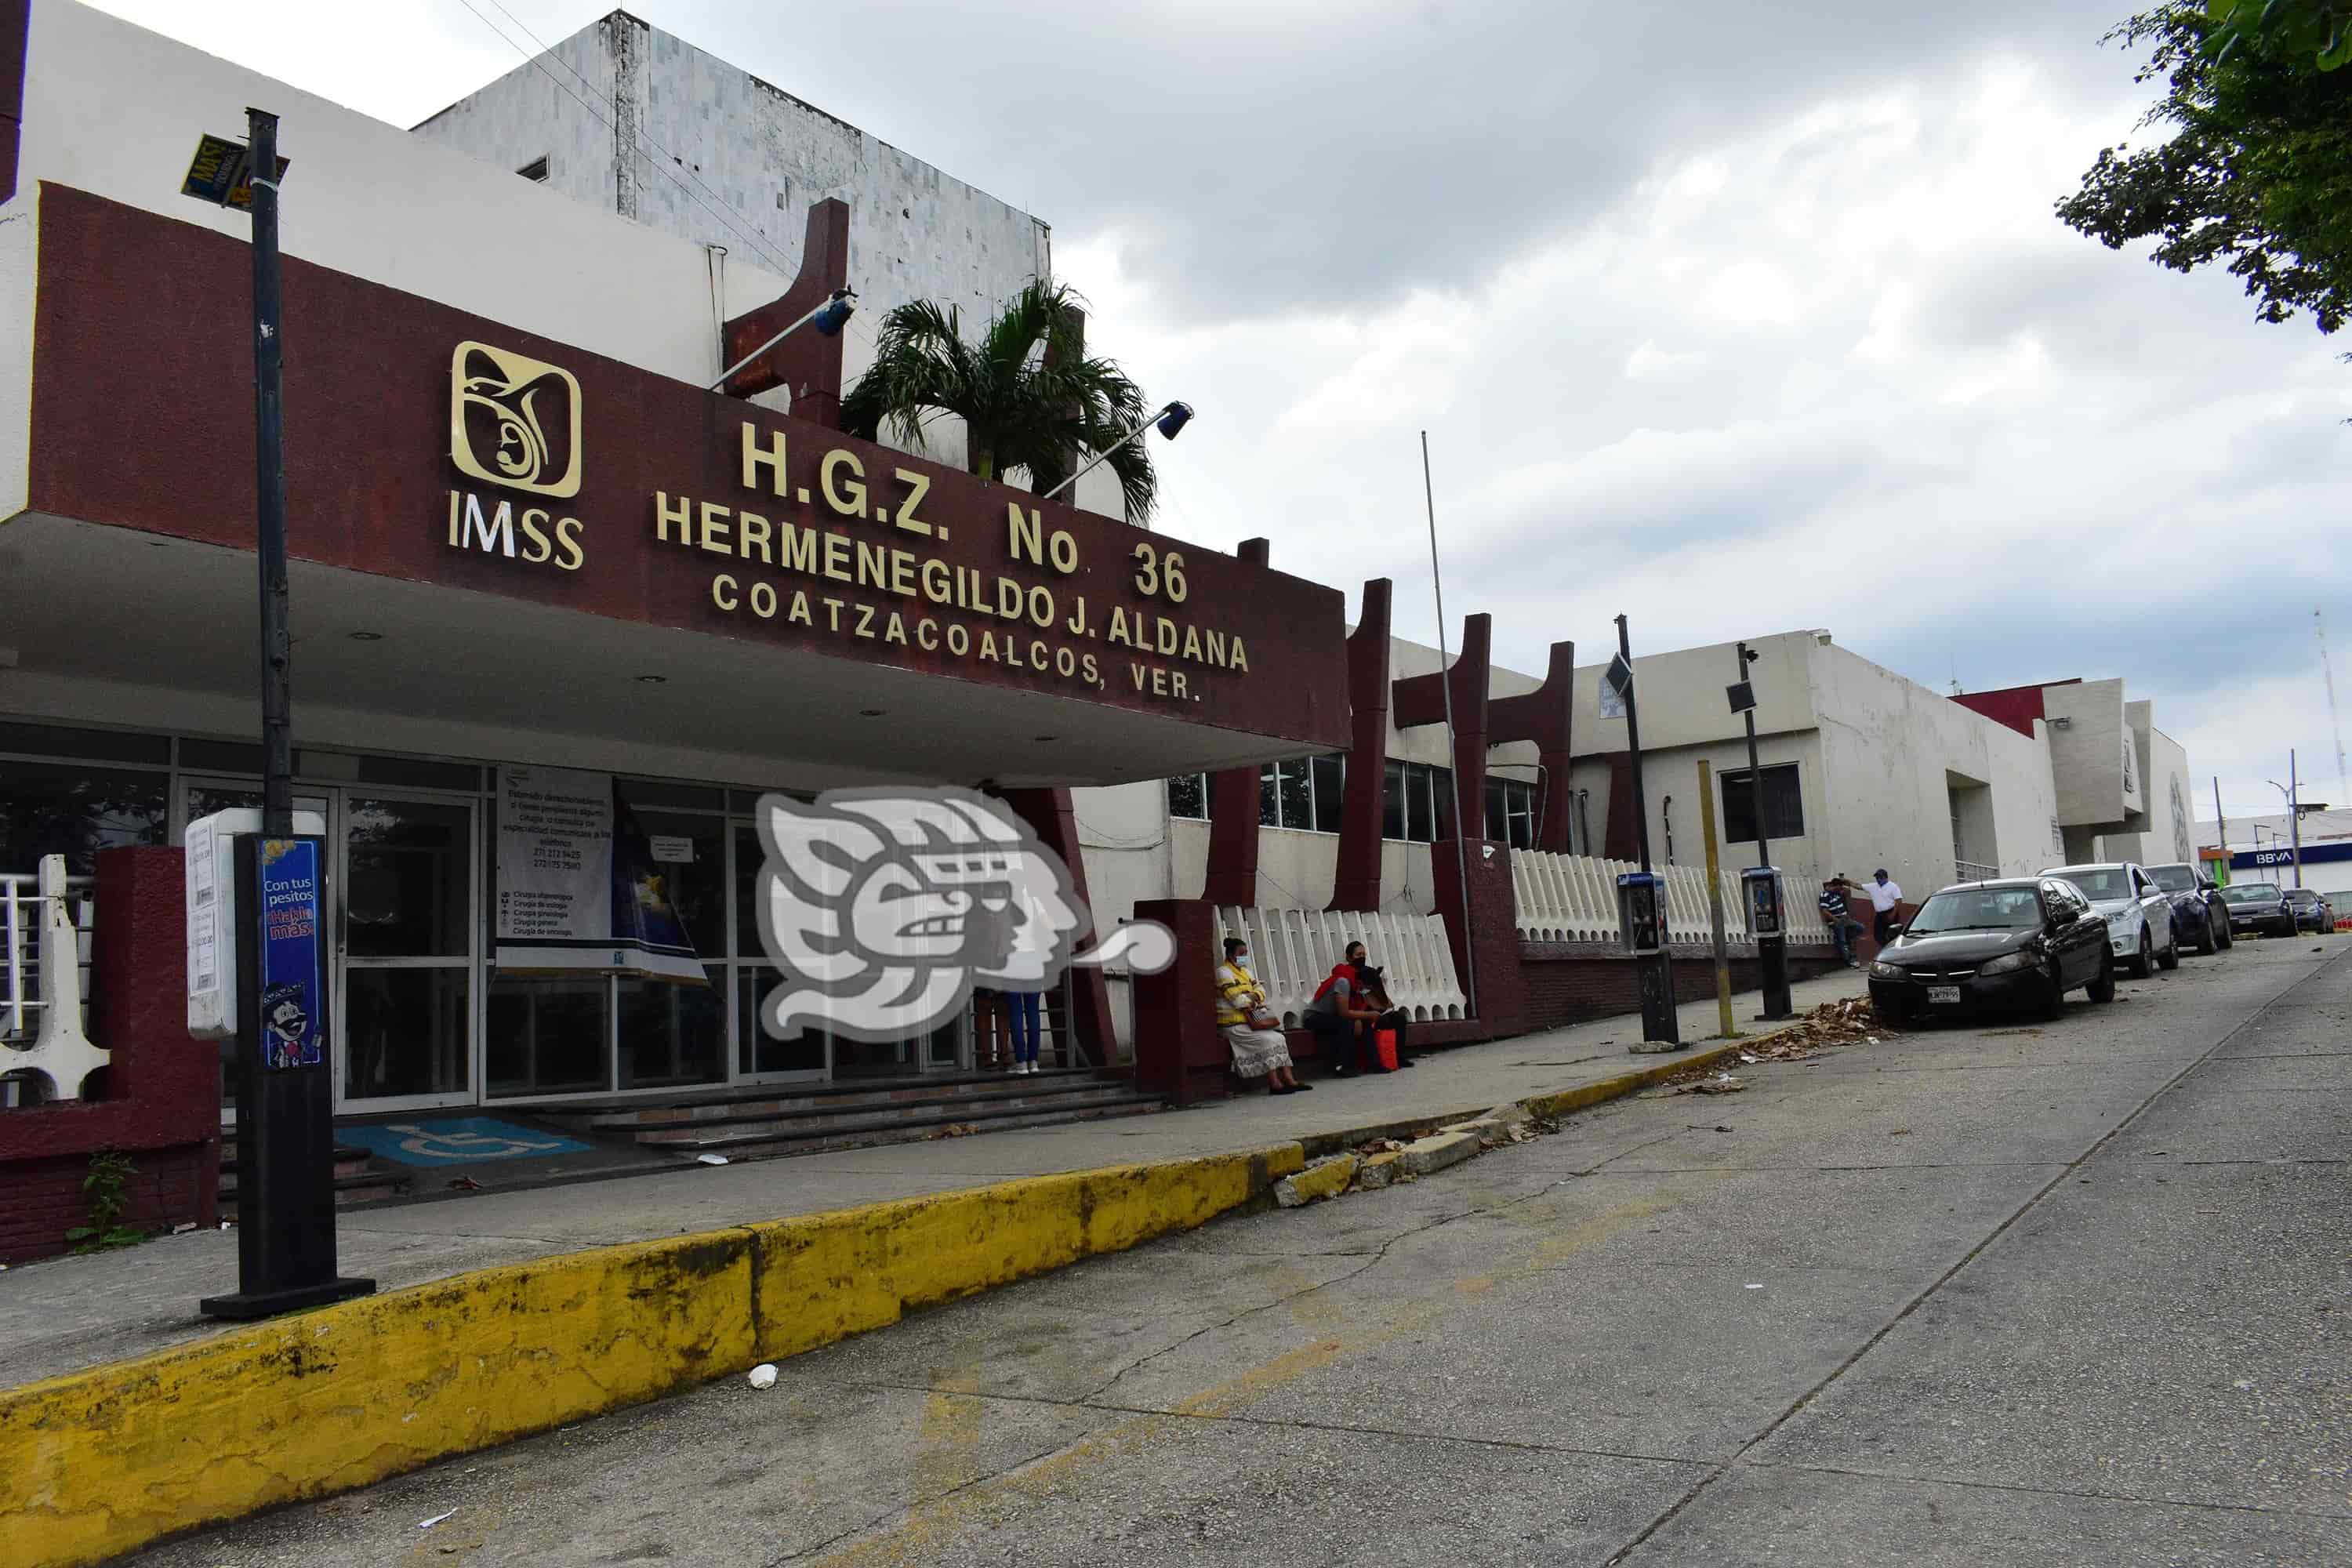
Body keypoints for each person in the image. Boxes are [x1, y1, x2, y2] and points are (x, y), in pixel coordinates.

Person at [1214, 937, 1309, 1094]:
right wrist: (1251, 997)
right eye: (1241, 953)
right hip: (1233, 1025)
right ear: (1231, 954)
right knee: (1267, 1040)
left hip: (1251, 1022)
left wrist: (1249, 996)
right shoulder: (1223, 972)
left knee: (1280, 1038)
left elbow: (1261, 992)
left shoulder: (1246, 972)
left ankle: (1290, 1079)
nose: (1244, 956)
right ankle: (1275, 1084)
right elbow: (1238, 1001)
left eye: (1246, 953)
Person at [1306, 942, 1388, 1076]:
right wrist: (1363, 1016)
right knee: (1346, 1023)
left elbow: (1359, 1007)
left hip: (1334, 1016)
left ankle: (1374, 1064)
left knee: (1364, 1023)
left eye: (1364, 955)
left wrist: (1364, 1017)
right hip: (1315, 1017)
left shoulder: (1356, 983)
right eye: (1358, 955)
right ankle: (1343, 1066)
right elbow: (1344, 1013)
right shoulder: (1343, 982)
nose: (1362, 957)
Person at [1352, 961, 1416, 1068]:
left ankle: (1399, 1056)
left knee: (1399, 1018)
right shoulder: (1356, 991)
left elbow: (1387, 1005)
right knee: (1383, 1021)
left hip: (1377, 1017)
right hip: (1364, 1020)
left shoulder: (1372, 990)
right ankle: (1377, 1061)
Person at [1819, 876, 1866, 968]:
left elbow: (1847, 889)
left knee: (1860, 928)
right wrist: (1835, 920)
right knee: (1842, 942)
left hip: (1845, 919)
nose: (1841, 889)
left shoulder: (1836, 893)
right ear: (1834, 886)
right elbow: (1825, 911)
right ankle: (1850, 961)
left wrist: (1844, 882)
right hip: (1837, 920)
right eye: (1839, 888)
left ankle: (1848, 937)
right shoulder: (1825, 895)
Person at [1867, 868, 1905, 946]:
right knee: (1878, 935)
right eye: (1877, 878)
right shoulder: (1874, 886)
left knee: (1893, 934)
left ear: (1885, 877)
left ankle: (1892, 949)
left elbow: (1899, 900)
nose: (1878, 880)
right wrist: (1849, 882)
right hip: (1880, 914)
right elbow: (1859, 886)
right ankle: (1886, 947)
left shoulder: (1893, 887)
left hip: (1891, 912)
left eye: (1880, 878)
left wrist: (1893, 914)